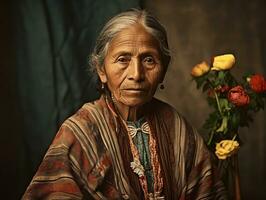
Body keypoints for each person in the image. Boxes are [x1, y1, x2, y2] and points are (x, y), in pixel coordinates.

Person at [23, 9, 227, 200]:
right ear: (101, 70)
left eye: (149, 60)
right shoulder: (79, 132)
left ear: (163, 70)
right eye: (123, 59)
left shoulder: (178, 127)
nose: (136, 74)